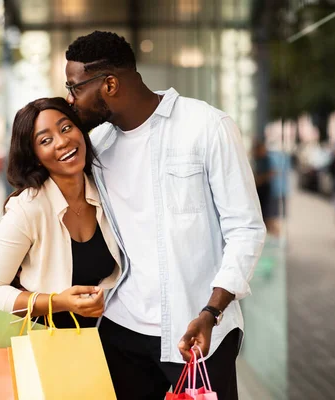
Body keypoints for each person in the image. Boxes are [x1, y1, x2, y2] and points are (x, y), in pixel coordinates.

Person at [64, 31, 266, 399]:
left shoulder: (207, 126)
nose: (70, 99)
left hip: (197, 331)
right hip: (120, 329)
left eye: (75, 87)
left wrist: (212, 311)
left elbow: (246, 229)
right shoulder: (96, 148)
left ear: (109, 84)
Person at [0, 97, 121, 328]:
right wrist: (58, 302)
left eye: (66, 128)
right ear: (35, 157)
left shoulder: (108, 192)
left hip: (109, 339)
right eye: (46, 140)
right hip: (47, 345)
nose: (62, 141)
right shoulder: (28, 208)